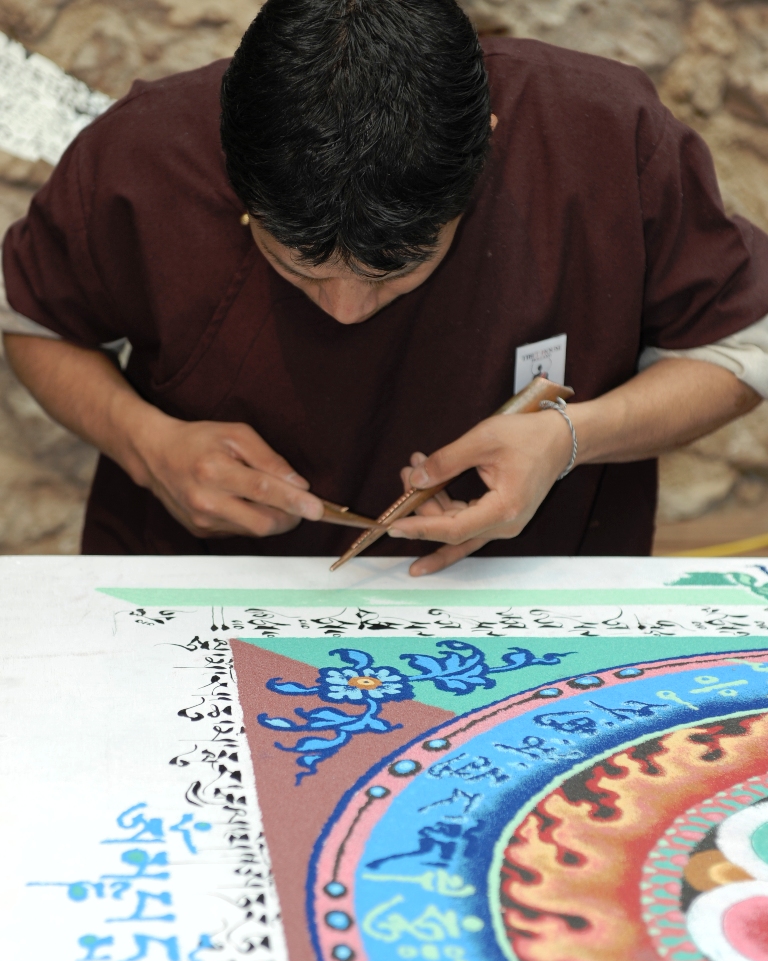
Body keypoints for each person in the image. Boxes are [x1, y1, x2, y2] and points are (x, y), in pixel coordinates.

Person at [2, 0, 768, 575]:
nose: (344, 309)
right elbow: (35, 320)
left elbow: (742, 344)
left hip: (515, 608)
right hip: (193, 600)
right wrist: (148, 447)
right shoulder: (147, 149)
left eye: (395, 268)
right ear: (228, 168)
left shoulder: (602, 137)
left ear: (486, 152)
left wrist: (570, 440)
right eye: (299, 265)